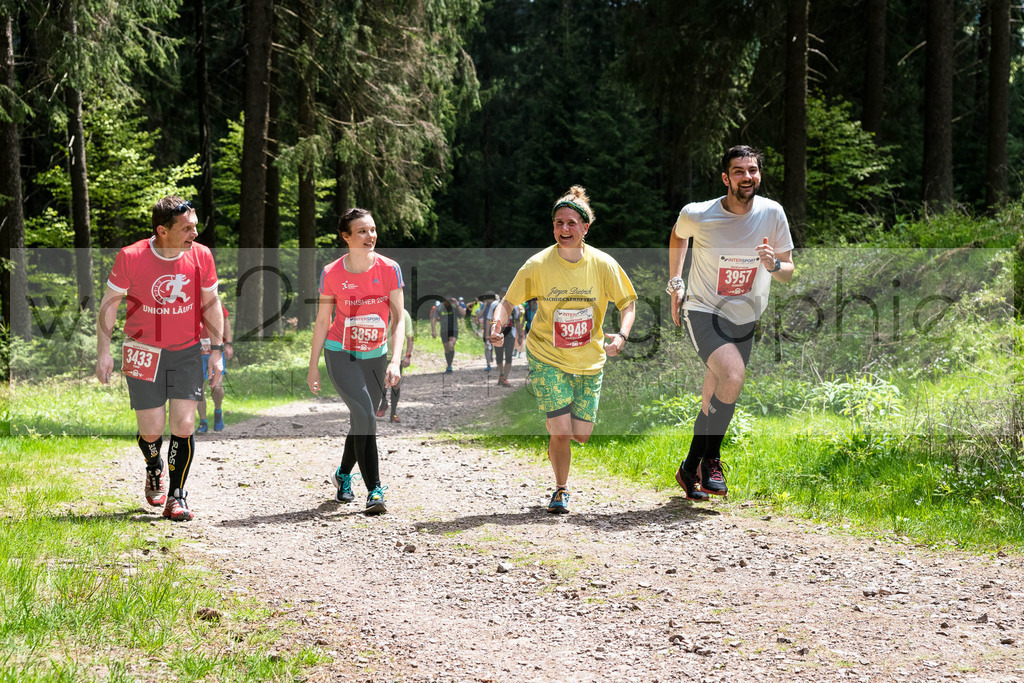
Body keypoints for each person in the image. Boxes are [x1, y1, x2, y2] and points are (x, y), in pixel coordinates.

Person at [489, 186, 637, 514]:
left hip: (589, 358)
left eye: (572, 223)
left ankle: (558, 428)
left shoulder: (603, 264)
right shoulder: (538, 264)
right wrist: (498, 324)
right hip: (547, 355)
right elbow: (508, 302)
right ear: (553, 227)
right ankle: (560, 489)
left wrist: (622, 336)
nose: (565, 229)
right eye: (559, 223)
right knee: (561, 430)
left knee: (580, 434)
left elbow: (628, 304)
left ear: (586, 227)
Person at [668, 145, 795, 501]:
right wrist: (676, 281)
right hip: (704, 309)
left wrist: (773, 265)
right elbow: (678, 234)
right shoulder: (699, 214)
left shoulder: (773, 213)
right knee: (733, 376)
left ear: (759, 175)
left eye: (752, 170)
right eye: (739, 171)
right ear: (726, 178)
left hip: (746, 316)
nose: (747, 177)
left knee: (716, 394)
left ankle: (689, 468)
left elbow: (787, 272)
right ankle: (712, 460)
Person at [95, 196, 224, 522]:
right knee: (151, 431)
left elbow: (211, 304)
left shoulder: (201, 255)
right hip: (142, 350)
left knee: (183, 424)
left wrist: (217, 351)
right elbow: (110, 304)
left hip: (187, 350)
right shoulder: (132, 256)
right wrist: (103, 352)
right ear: (162, 231)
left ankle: (176, 496)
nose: (195, 234)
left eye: (195, 226)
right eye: (187, 228)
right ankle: (154, 466)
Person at [308, 208, 404, 514]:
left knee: (362, 419)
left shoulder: (390, 269)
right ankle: (375, 490)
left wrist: (396, 361)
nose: (370, 236)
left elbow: (399, 319)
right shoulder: (331, 273)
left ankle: (342, 474)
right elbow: (322, 320)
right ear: (346, 237)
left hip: (375, 356)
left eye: (372, 229)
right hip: (341, 352)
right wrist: (313, 366)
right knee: (366, 416)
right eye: (362, 231)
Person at [196, 301, 232, 433]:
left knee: (216, 387)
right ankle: (203, 422)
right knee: (198, 388)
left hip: (215, 350)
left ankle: (218, 411)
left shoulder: (211, 299)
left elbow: (225, 320)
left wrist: (228, 344)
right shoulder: (185, 301)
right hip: (196, 352)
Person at [376, 306, 414, 422]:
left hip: (396, 357)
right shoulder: (377, 310)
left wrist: (408, 356)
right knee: (380, 382)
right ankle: (384, 402)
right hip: (379, 354)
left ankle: (393, 413)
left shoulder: (403, 313)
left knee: (395, 384)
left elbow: (410, 337)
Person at [491, 288, 523, 387]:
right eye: (502, 294)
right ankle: (501, 374)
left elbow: (517, 321)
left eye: (506, 294)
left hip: (510, 334)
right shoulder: (494, 305)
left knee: (509, 355)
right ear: (500, 295)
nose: (504, 296)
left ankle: (505, 378)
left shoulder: (514, 307)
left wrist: (520, 335)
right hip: (498, 334)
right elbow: (489, 319)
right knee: (499, 356)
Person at [431, 294, 466, 374]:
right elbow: (434, 319)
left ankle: (450, 365)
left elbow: (463, 313)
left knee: (451, 345)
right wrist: (433, 330)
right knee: (446, 348)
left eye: (450, 302)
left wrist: (457, 304)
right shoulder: (439, 308)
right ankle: (449, 365)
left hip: (453, 329)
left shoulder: (454, 307)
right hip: (444, 330)